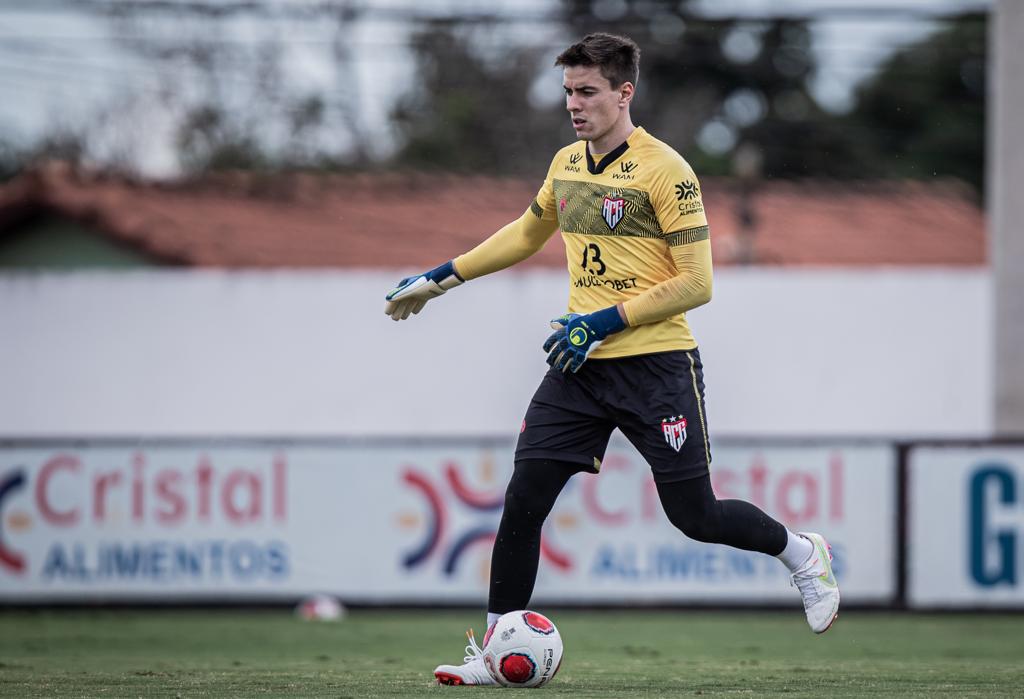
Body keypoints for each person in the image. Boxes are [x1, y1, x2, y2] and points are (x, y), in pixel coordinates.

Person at [384, 33, 840, 687]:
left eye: (587, 91)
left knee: (696, 516)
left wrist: (601, 320)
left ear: (624, 93)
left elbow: (697, 283)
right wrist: (439, 279)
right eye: (568, 91)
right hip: (581, 368)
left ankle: (803, 552)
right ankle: (492, 650)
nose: (574, 104)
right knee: (524, 499)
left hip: (656, 365)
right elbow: (524, 232)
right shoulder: (567, 164)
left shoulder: (666, 171)